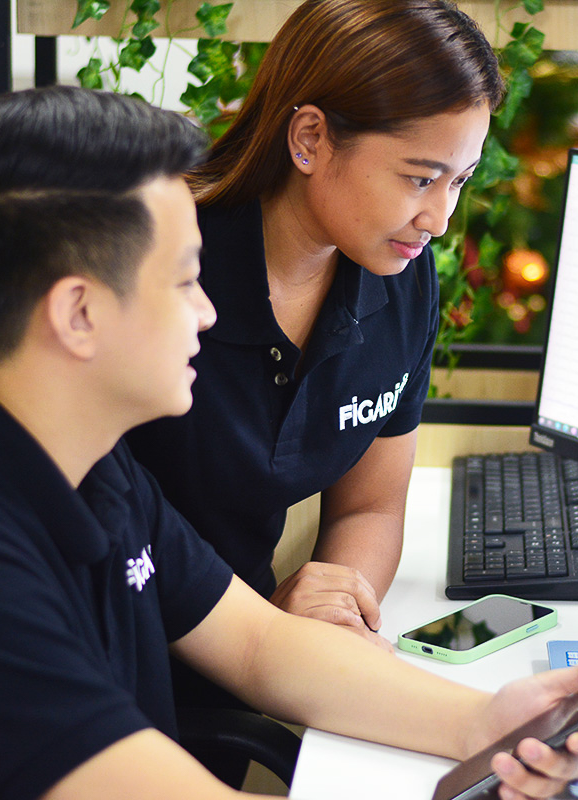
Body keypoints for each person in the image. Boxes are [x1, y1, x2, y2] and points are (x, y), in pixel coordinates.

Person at [0, 84, 578, 800]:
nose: (207, 312)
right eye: (184, 281)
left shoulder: (87, 460)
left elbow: (258, 645)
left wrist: (485, 724)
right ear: (78, 314)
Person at [126, 0, 501, 651]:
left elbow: (370, 506)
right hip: (123, 643)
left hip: (259, 647)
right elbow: (93, 525)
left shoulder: (401, 276)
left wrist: (335, 610)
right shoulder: (162, 261)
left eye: (460, 181)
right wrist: (273, 633)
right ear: (309, 140)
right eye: (420, 179)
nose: (440, 220)